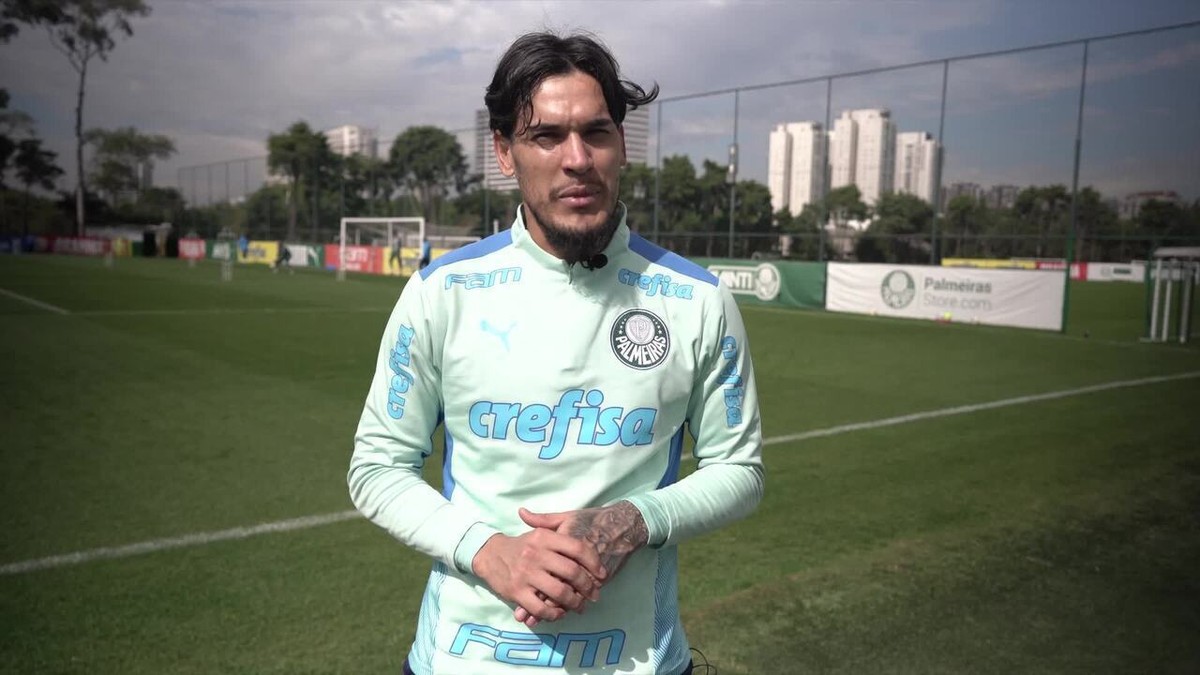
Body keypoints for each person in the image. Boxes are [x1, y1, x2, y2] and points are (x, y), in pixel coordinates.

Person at [349, 30, 763, 675]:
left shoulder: (697, 301)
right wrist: (488, 550)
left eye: (596, 133)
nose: (577, 159)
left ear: (622, 145)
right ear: (505, 154)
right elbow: (376, 467)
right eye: (546, 136)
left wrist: (637, 517)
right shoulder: (443, 293)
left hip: (641, 663)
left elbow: (740, 469)